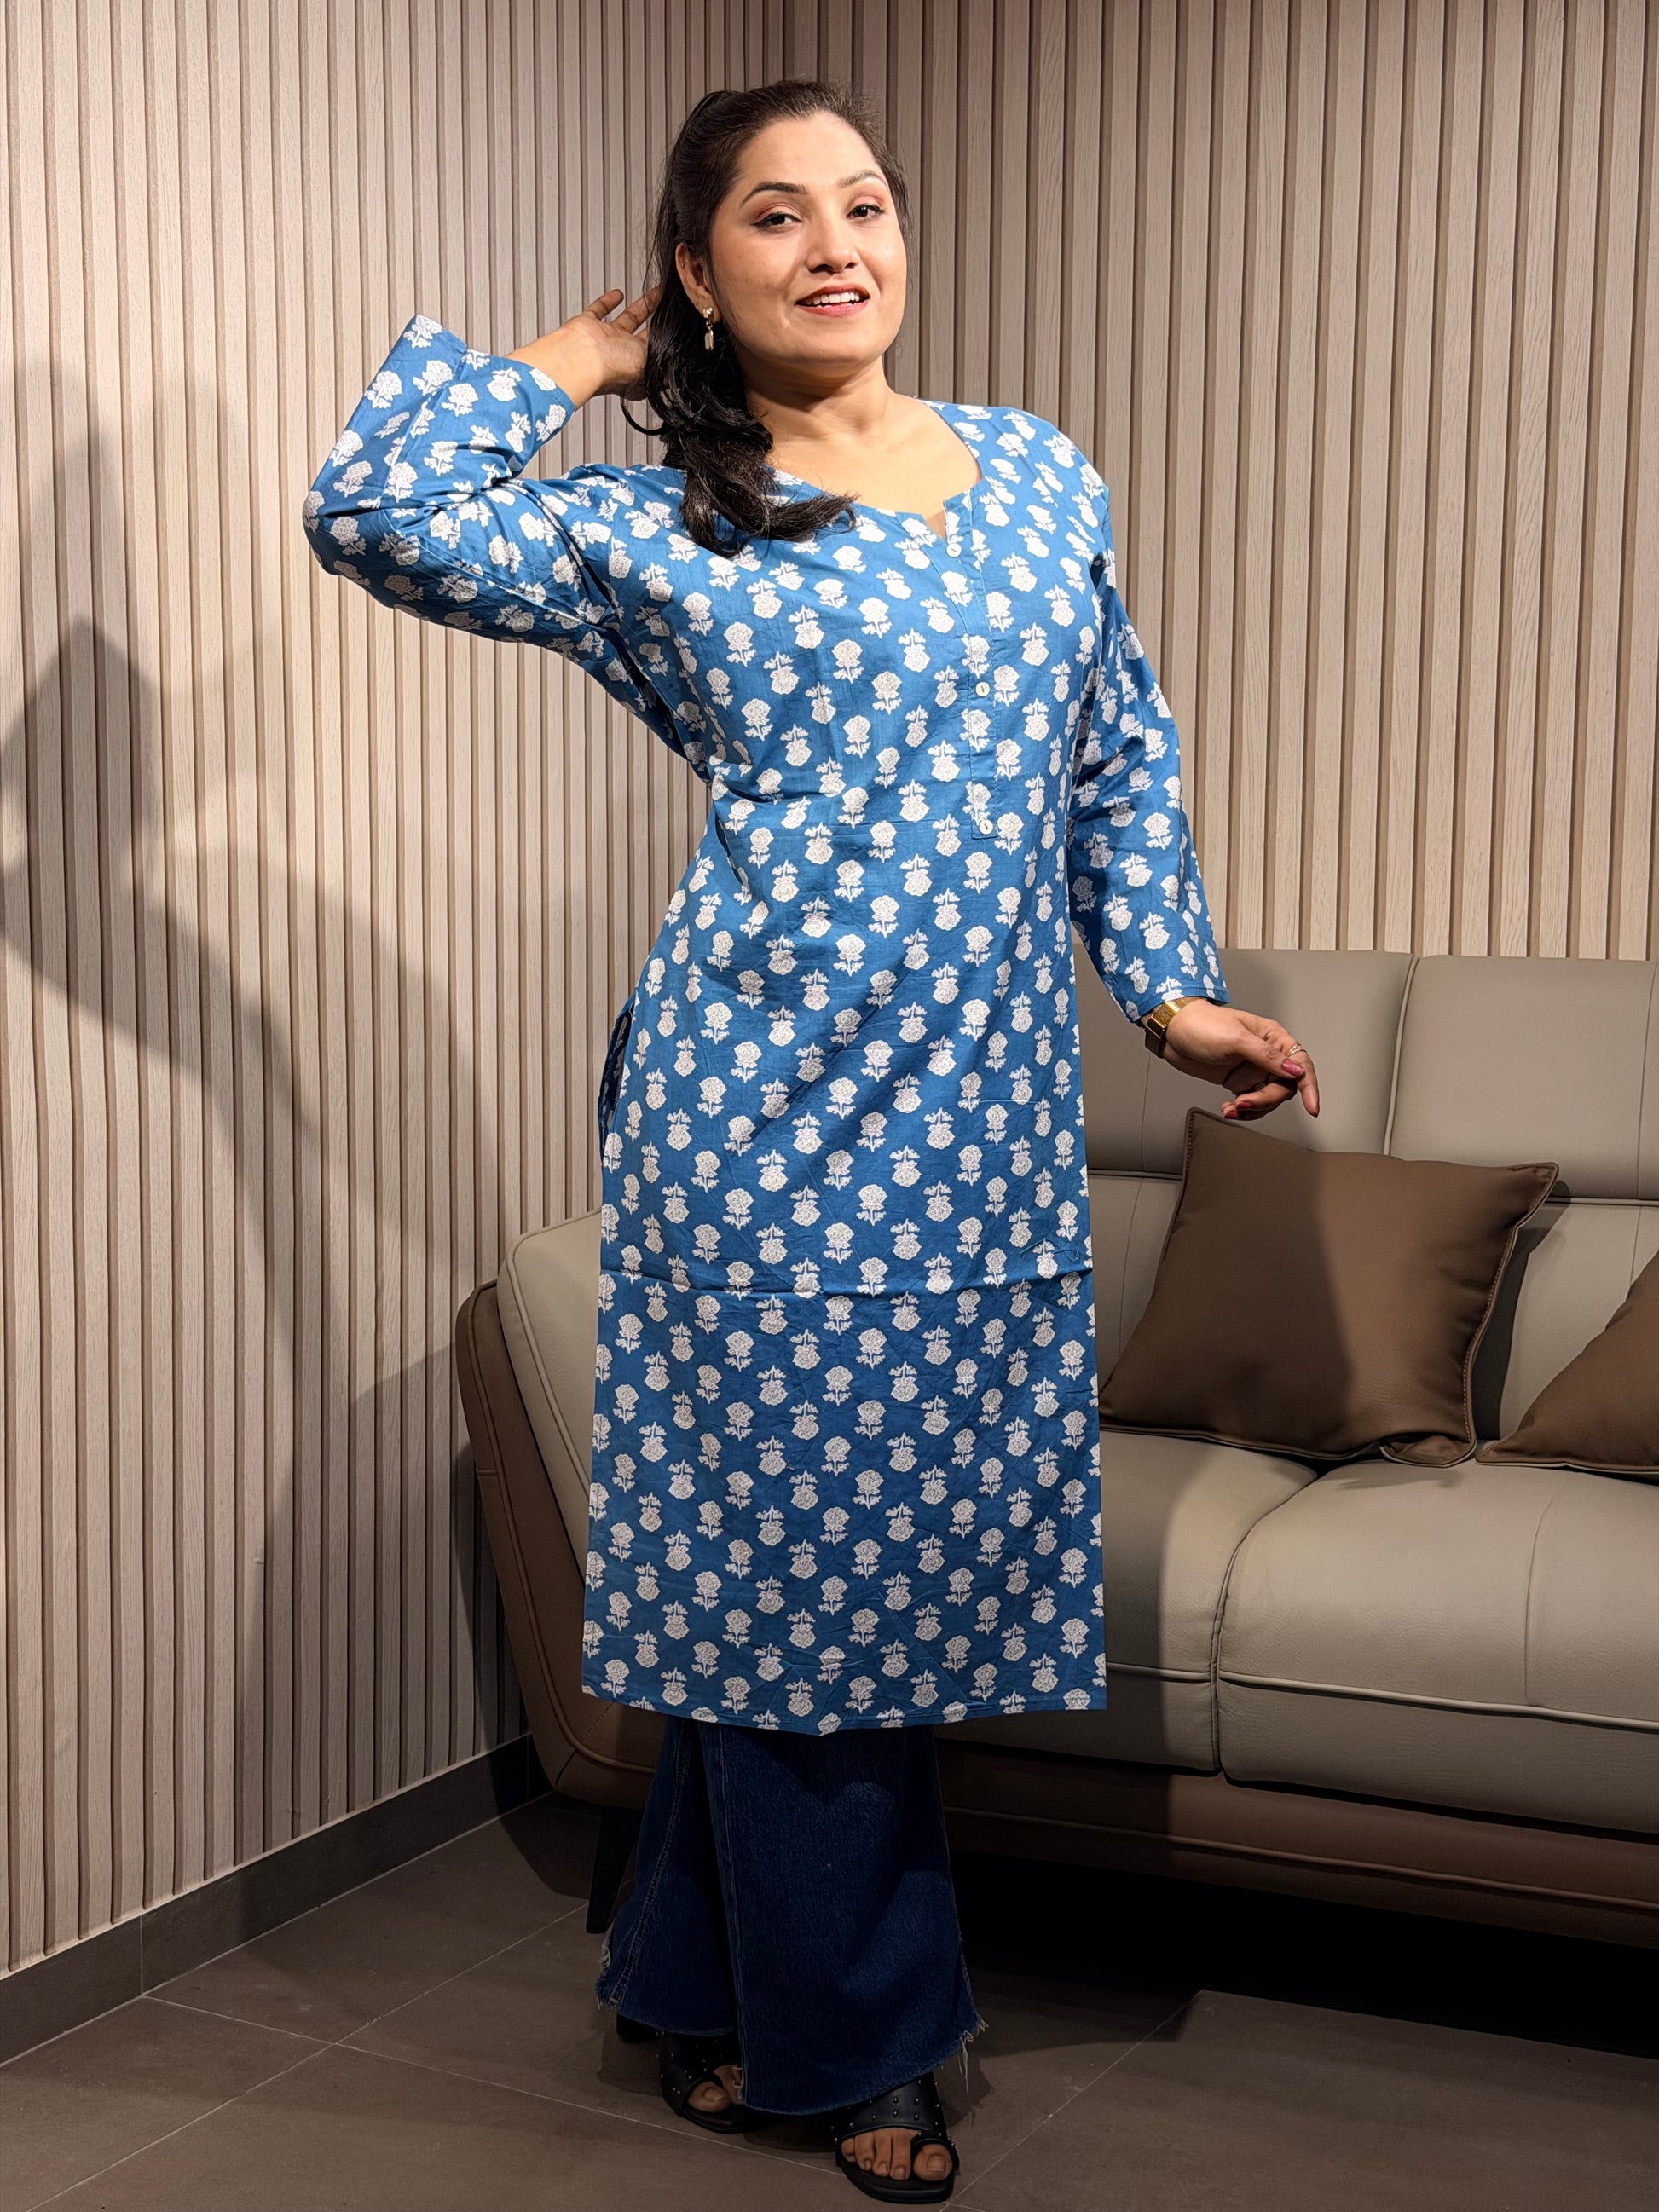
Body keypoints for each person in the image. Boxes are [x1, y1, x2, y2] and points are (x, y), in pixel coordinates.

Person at [304, 75, 1318, 2209]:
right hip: (754, 1114)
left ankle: (692, 1978)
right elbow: (375, 511)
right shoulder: (664, 516)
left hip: (982, 1128)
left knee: (843, 1570)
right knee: (808, 1574)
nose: (834, 243)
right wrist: (567, 363)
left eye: (861, 202)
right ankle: (860, 2040)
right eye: (772, 216)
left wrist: (1167, 991)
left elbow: (1112, 748)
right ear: (700, 269)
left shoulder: (1038, 473)